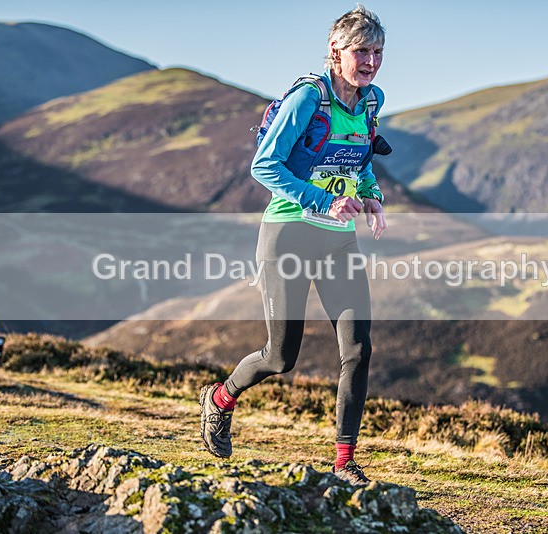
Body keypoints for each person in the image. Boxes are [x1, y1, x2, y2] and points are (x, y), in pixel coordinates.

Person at [200, 5, 387, 486]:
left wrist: (370, 197)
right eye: (361, 51)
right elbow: (264, 166)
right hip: (287, 234)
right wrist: (323, 199)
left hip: (338, 242)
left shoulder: (370, 101)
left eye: (377, 52)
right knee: (281, 358)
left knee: (358, 350)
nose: (370, 61)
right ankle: (220, 398)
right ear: (335, 51)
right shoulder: (308, 97)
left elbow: (360, 159)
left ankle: (345, 463)